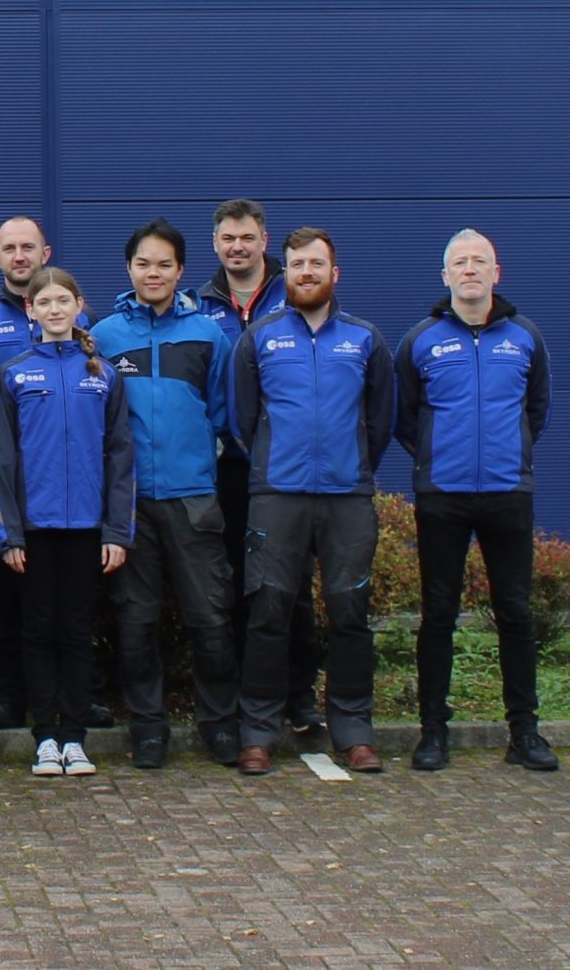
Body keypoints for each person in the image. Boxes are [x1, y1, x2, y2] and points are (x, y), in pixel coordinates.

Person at [230, 227, 396, 776]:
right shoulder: (260, 338)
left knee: (350, 615)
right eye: (298, 264)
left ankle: (354, 732)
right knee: (268, 614)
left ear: (334, 273)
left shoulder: (365, 339)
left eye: (316, 264)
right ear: (287, 272)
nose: (306, 273)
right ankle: (258, 733)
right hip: (278, 494)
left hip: (347, 496)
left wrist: (353, 464)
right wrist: (275, 463)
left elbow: (380, 420)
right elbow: (243, 420)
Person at [396, 229, 557, 773]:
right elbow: (405, 416)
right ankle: (432, 734)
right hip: (442, 495)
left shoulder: (525, 337)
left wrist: (512, 453)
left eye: (479, 261)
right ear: (445, 276)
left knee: (515, 613)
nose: (470, 269)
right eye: (460, 262)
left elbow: (536, 410)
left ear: (496, 273)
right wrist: (435, 456)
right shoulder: (420, 340)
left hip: (508, 494)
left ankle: (525, 733)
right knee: (438, 614)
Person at [90, 219, 241, 769]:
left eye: (164, 264)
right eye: (143, 264)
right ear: (128, 269)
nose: (153, 273)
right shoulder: (103, 337)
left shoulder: (208, 335)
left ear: (181, 271)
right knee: (136, 623)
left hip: (192, 497)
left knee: (211, 618)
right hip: (128, 503)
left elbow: (223, 415)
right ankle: (149, 730)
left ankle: (219, 725)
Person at [0, 268, 134, 778]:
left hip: (87, 528)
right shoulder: (14, 373)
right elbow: (0, 460)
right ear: (31, 310)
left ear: (78, 306)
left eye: (63, 301)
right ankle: (45, 736)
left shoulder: (104, 374)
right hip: (33, 529)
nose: (54, 310)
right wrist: (8, 533)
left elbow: (121, 456)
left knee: (75, 629)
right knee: (38, 630)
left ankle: (74, 737)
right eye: (44, 302)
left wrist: (117, 531)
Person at [194, 200, 324, 743]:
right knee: (232, 585)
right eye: (228, 238)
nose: (237, 247)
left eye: (246, 237)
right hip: (226, 468)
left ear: (264, 241)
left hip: (285, 469)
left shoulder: (294, 296)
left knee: (291, 587)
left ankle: (300, 697)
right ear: (216, 244)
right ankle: (247, 697)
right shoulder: (198, 306)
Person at [0, 216, 88, 730]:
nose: (20, 256)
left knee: (73, 607)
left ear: (45, 253)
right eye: (10, 248)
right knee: (8, 598)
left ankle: (79, 698)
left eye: (28, 247)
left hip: (71, 492)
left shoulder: (81, 324)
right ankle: (9, 695)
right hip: (6, 485)